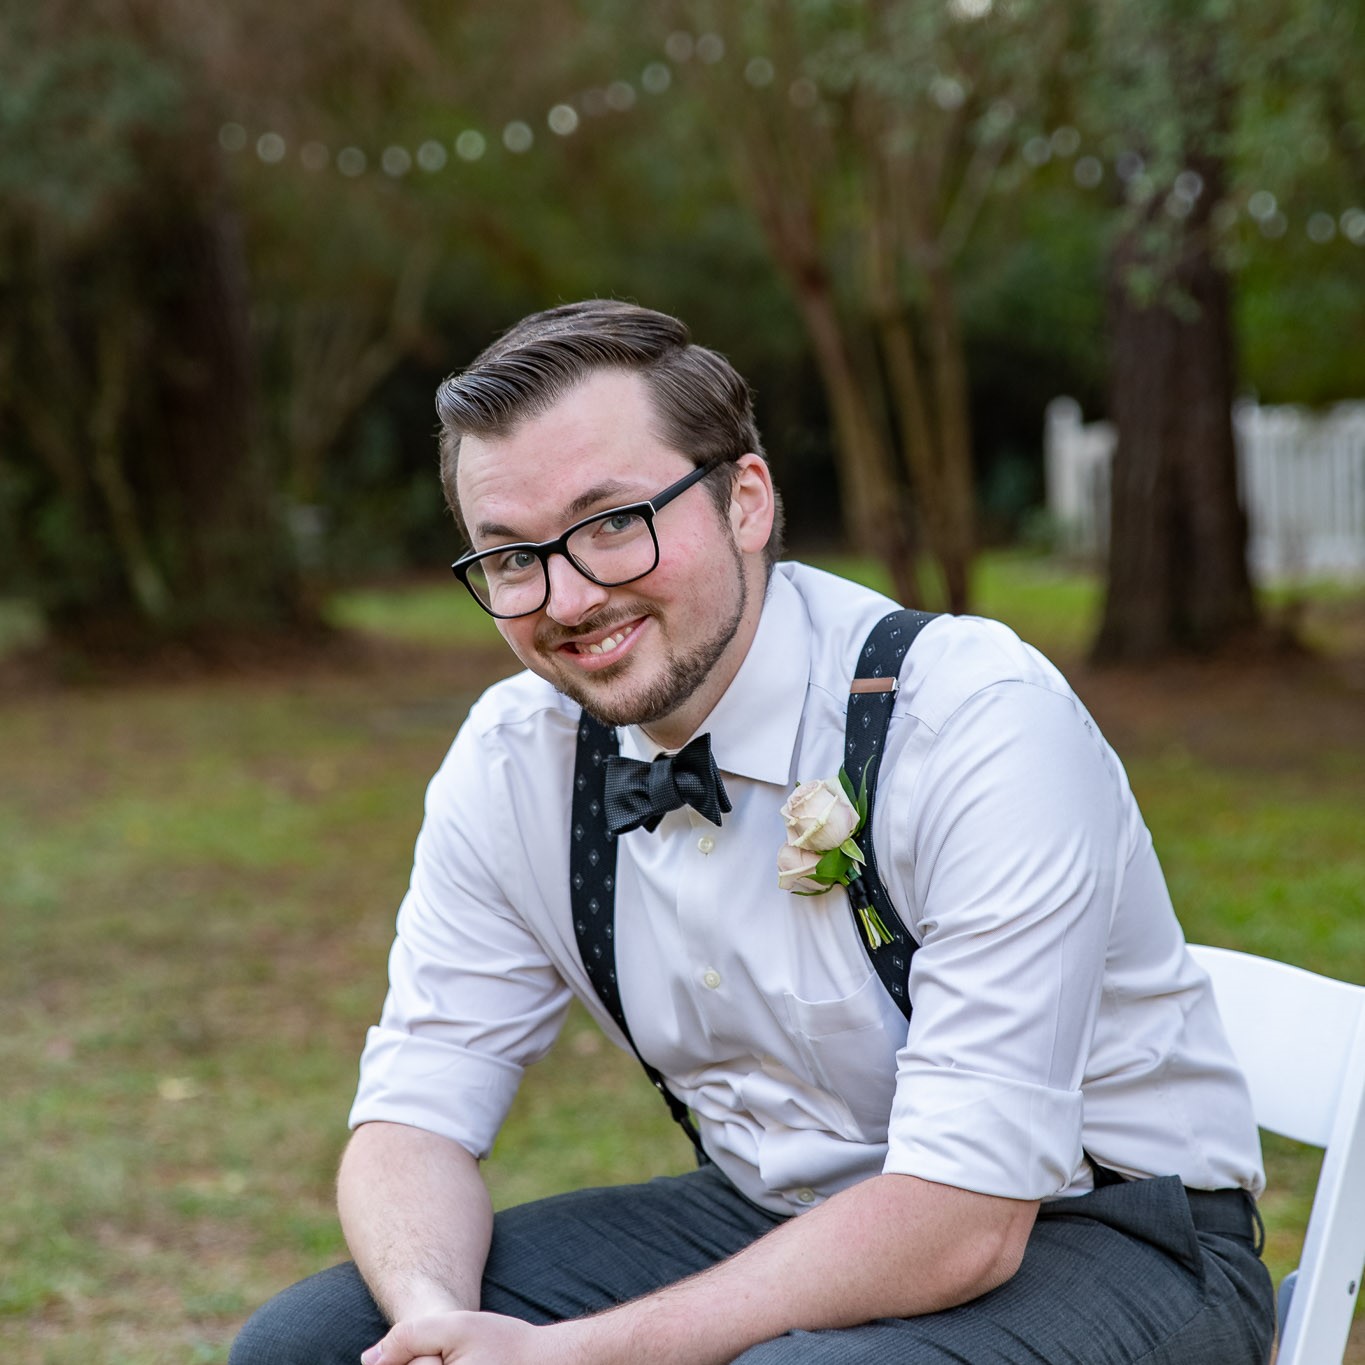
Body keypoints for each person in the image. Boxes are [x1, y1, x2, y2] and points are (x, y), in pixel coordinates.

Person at [232, 300, 1275, 1365]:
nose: (569, 596)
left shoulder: (970, 718)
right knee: (306, 1349)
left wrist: (575, 1357)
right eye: (511, 557)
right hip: (765, 1215)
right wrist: (430, 1326)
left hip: (1102, 1233)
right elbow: (415, 1109)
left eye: (611, 523)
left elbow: (968, 1217)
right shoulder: (516, 760)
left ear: (745, 501)